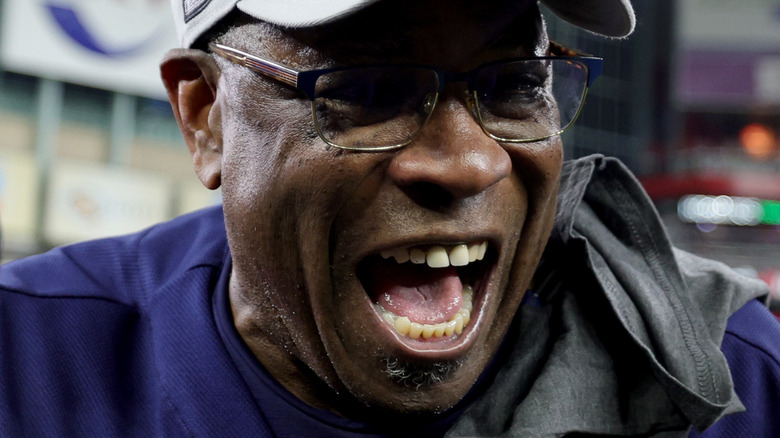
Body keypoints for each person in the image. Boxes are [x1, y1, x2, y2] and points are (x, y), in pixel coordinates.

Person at [1, 0, 779, 436]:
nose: (471, 162)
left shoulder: (730, 378)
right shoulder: (29, 368)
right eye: (367, 89)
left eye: (513, 83)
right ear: (205, 116)